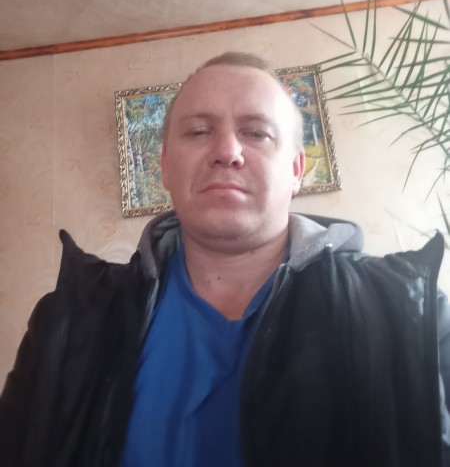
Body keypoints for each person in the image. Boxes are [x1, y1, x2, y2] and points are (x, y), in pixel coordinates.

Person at [1, 51, 449, 467]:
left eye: (257, 133)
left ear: (296, 170)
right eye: (199, 132)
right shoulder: (69, 320)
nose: (227, 152)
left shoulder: (410, 314)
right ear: (165, 167)